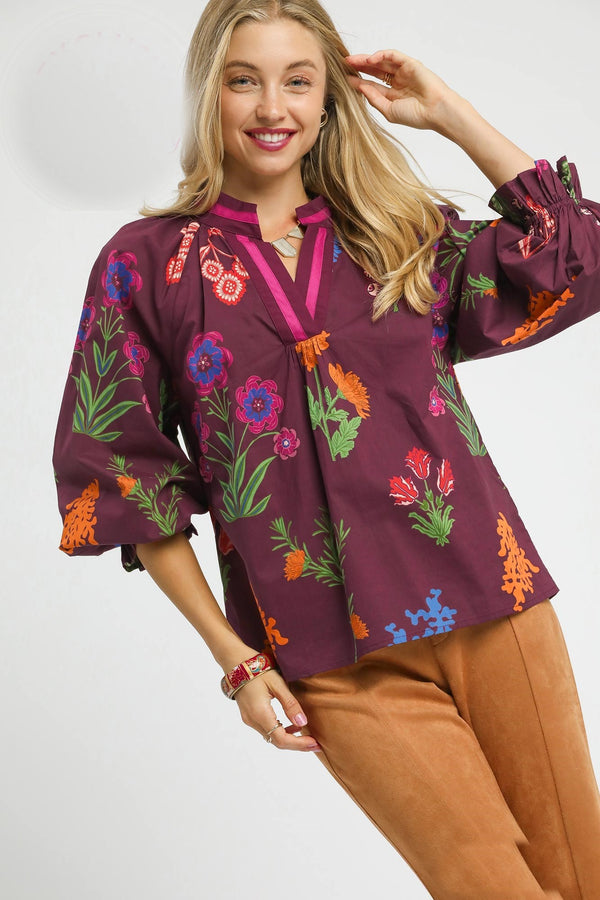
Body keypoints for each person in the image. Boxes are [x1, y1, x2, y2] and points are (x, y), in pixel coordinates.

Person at [53, 0, 600, 897]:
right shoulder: (146, 265)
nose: (272, 107)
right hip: (332, 659)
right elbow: (125, 480)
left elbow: (573, 258)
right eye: (245, 80)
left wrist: (449, 112)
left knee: (582, 879)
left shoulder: (395, 230)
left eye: (298, 81)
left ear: (327, 99)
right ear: (210, 91)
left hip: (494, 606)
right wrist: (237, 660)